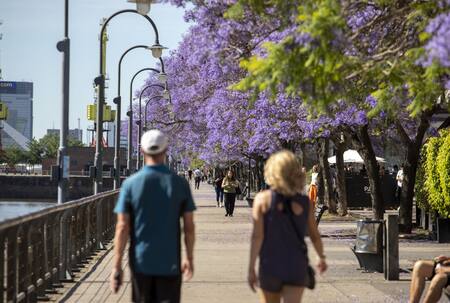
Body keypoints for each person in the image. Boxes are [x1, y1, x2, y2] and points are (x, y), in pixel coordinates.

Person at [111, 129, 196, 303]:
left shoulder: (130, 184)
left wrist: (117, 266)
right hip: (170, 261)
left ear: (142, 151)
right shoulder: (180, 183)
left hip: (141, 261)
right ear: (165, 151)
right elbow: (189, 226)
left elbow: (122, 227)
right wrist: (189, 257)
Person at [248, 150, 327, 303]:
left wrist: (251, 267)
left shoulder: (262, 200)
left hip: (270, 264)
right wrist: (321, 257)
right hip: (296, 264)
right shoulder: (305, 202)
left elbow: (257, 237)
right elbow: (314, 235)